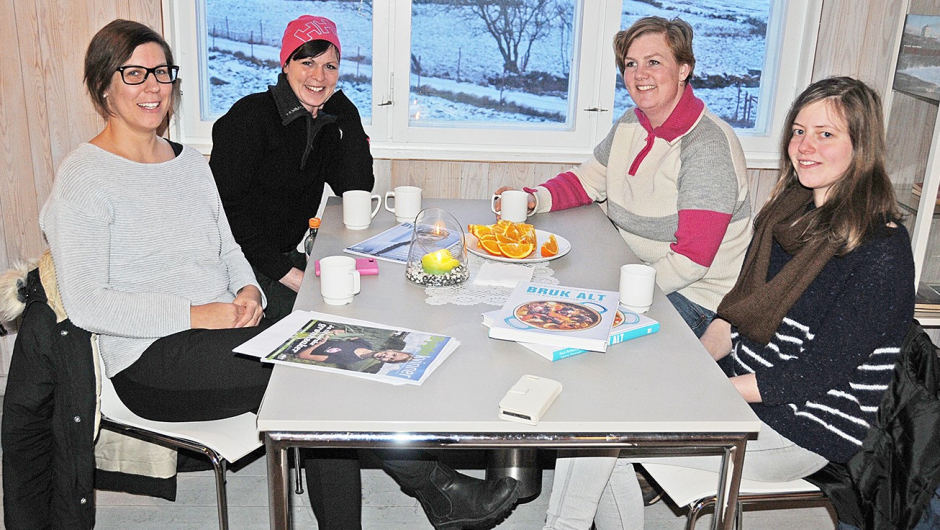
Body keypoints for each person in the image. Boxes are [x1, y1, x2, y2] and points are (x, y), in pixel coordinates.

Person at [40, 19, 519, 530]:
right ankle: (439, 490)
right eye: (134, 74)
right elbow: (88, 303)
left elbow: (227, 242)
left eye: (162, 72)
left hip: (225, 321)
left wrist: (246, 285)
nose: (153, 86)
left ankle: (436, 494)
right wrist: (200, 312)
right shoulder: (83, 178)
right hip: (149, 357)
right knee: (324, 378)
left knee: (341, 357)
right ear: (103, 85)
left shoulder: (187, 163)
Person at [541, 76, 915, 530]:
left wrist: (702, 390)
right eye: (798, 131)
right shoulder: (789, 213)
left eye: (826, 134)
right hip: (743, 387)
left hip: (799, 426)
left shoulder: (881, 250)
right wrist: (683, 367)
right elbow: (732, 318)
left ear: (861, 146)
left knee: (602, 431)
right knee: (602, 411)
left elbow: (813, 377)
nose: (805, 146)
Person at [494, 17, 751, 337]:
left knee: (575, 331)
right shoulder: (631, 121)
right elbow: (586, 181)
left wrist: (613, 291)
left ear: (683, 69)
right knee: (536, 302)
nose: (640, 74)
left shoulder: (706, 146)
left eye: (653, 62)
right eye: (631, 64)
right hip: (636, 271)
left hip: (695, 298)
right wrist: (535, 199)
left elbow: (691, 262)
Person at [209, 15, 374, 322]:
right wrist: (291, 275)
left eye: (330, 66)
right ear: (286, 64)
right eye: (307, 62)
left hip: (281, 259)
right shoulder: (250, 117)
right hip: (238, 268)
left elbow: (356, 188)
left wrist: (349, 116)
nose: (319, 76)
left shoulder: (322, 124)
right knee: (331, 319)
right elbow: (225, 211)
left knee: (364, 299)